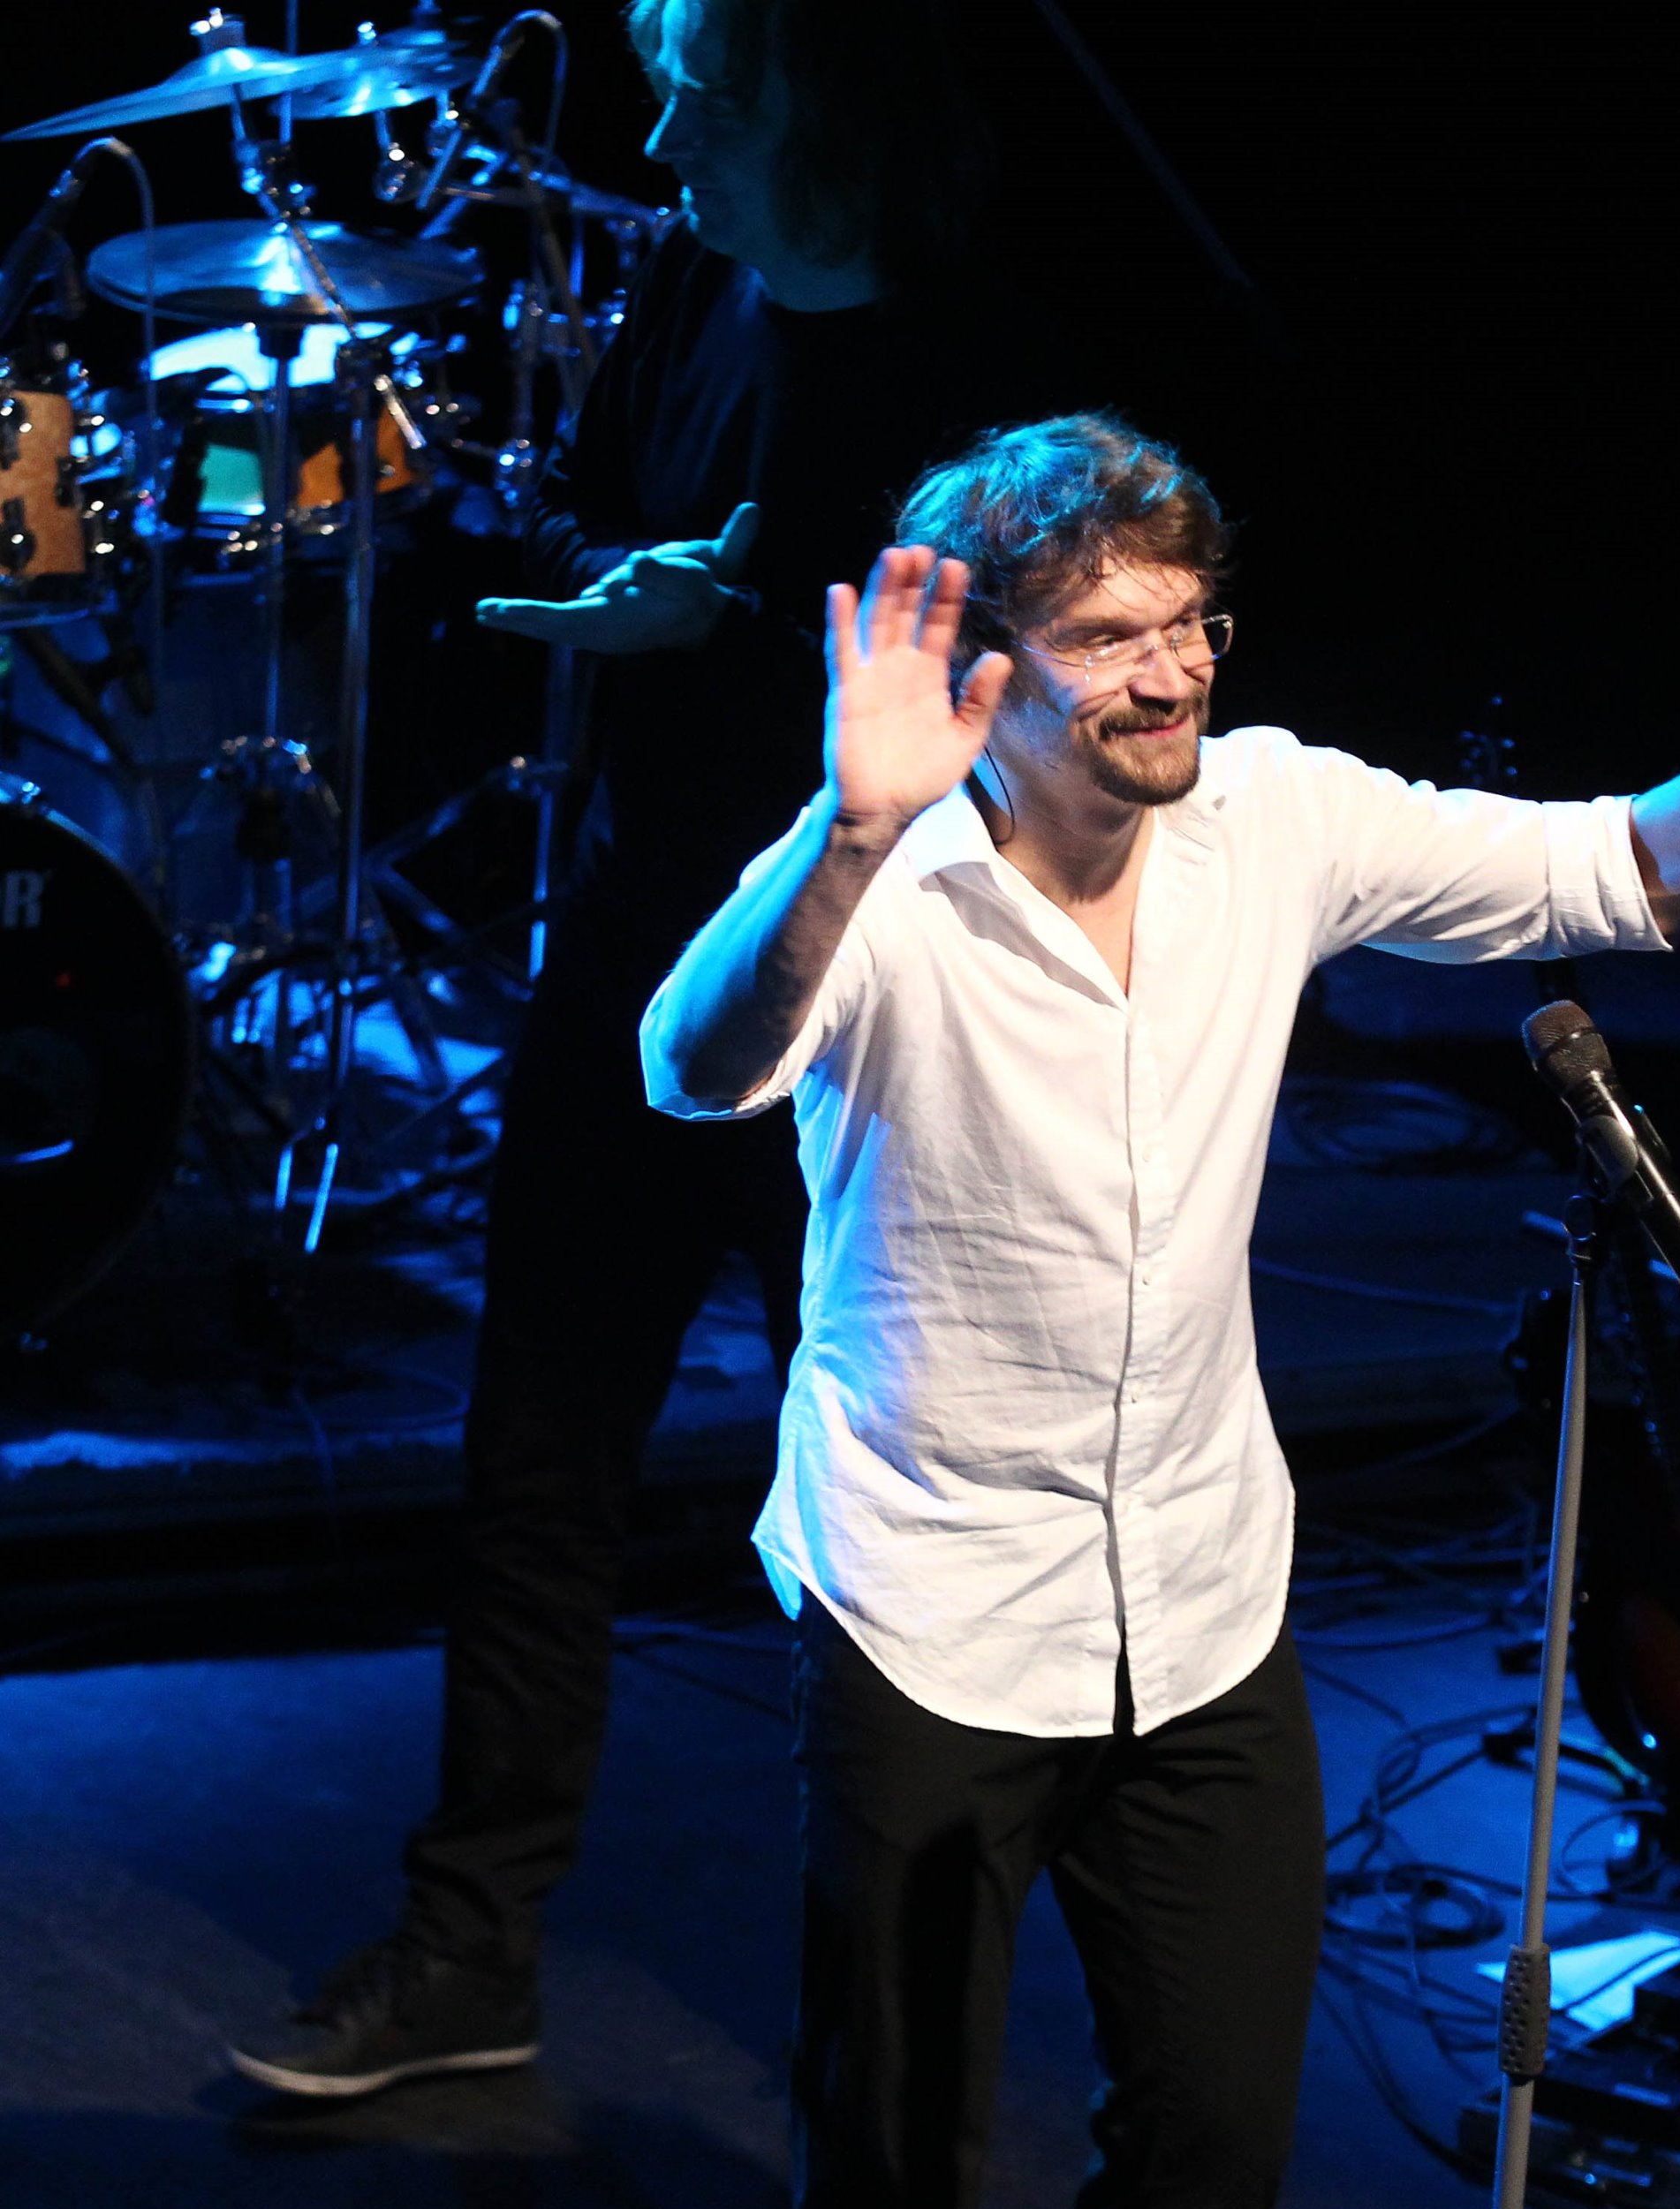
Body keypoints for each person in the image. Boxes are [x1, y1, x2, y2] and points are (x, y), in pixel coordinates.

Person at [637, 411, 1680, 2209]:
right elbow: (692, 1066)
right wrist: (851, 833)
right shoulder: (889, 877)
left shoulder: (1276, 820)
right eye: (1108, 639)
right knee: (892, 2186)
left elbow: (1632, 864)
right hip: (928, 1616)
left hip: (1199, 1611)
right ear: (986, 672)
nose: (1171, 676)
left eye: (1190, 623)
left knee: (1219, 2135)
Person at [229, 0, 1059, 2097]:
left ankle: (903, 2002)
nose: (660, 134)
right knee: (539, 1447)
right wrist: (615, 592)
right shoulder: (698, 284)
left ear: (817, 104)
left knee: (882, 1499)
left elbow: (1026, 687)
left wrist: (741, 618)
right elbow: (590, 520)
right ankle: (468, 1944)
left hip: (874, 1000)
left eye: (700, 93)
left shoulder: (983, 358)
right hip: (645, 951)